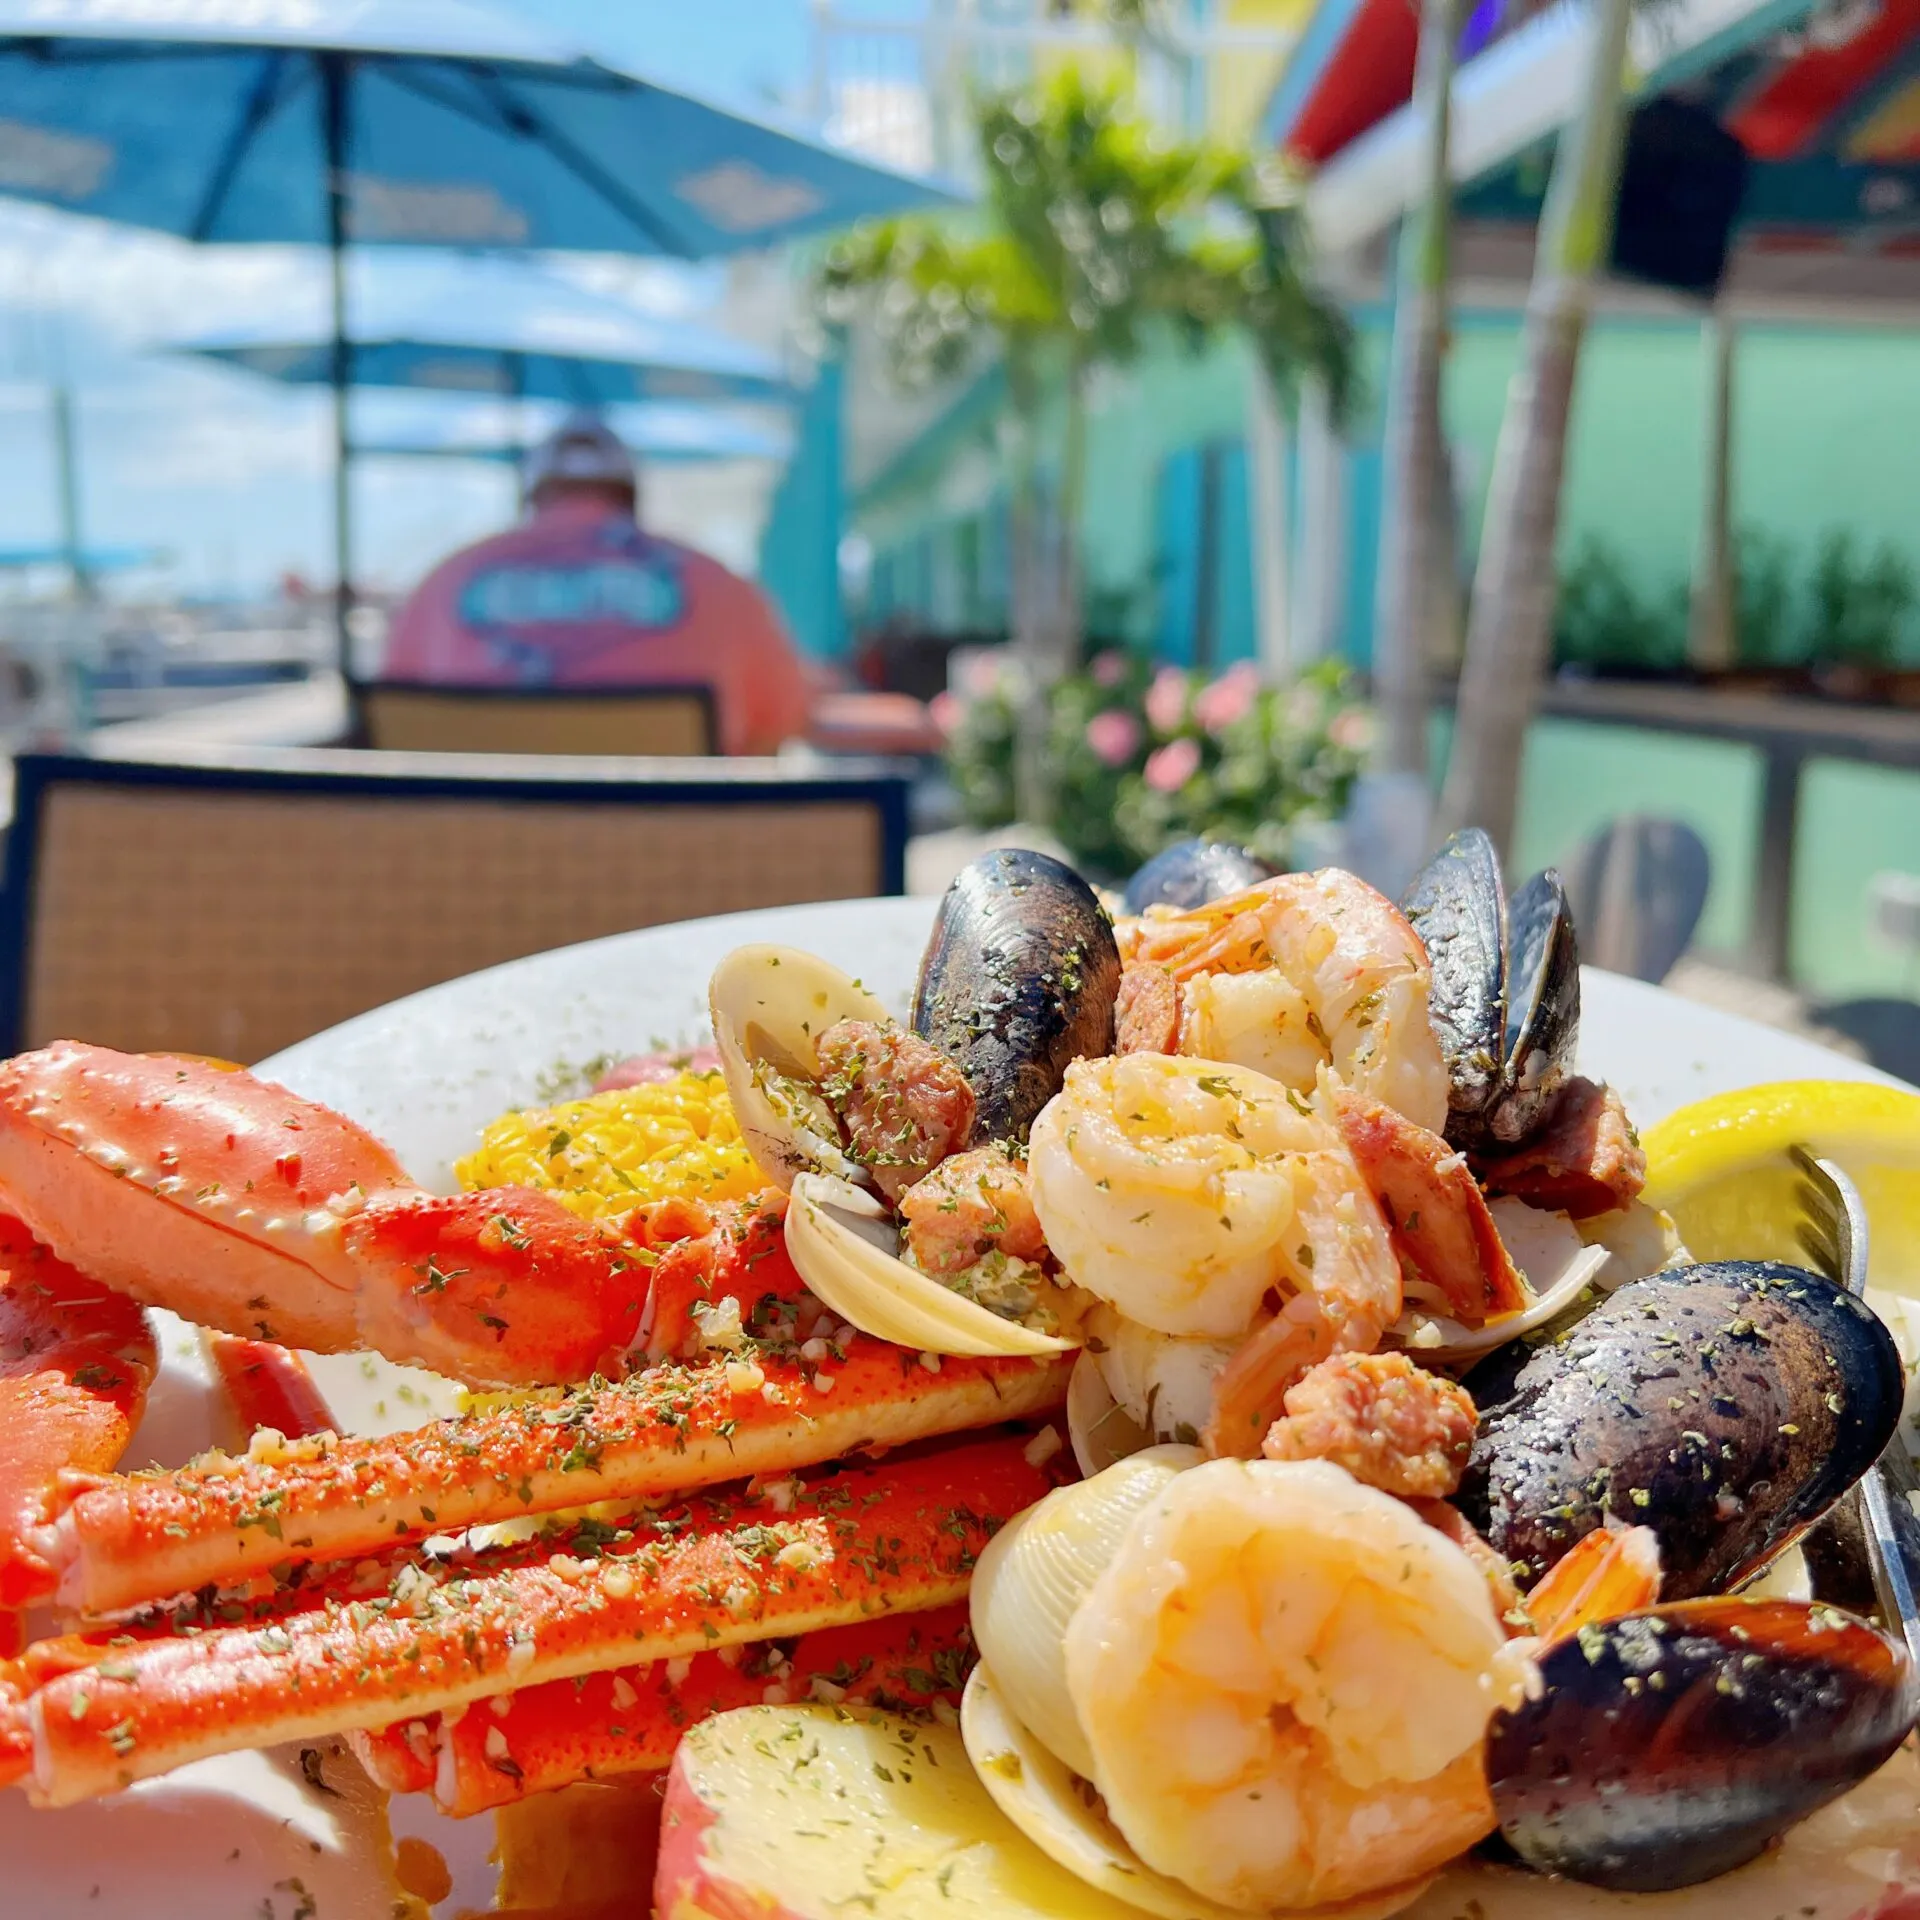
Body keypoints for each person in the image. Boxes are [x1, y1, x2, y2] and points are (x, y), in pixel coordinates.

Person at [381, 412, 812, 755]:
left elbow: (391, 727)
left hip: (469, 857)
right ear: (630, 494)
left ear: (533, 494)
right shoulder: (720, 585)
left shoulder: (443, 582)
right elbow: (778, 727)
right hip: (672, 856)